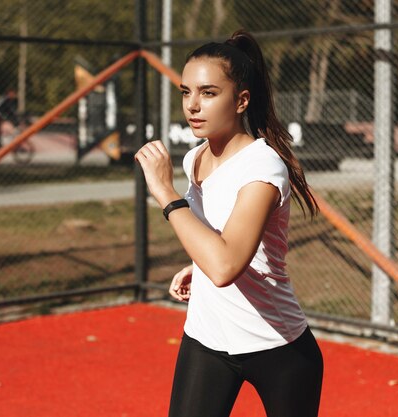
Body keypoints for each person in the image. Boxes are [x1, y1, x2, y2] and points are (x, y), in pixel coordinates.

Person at [134, 29, 324, 417]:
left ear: (241, 100)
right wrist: (196, 265)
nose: (192, 106)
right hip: (207, 338)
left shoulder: (263, 169)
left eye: (208, 93)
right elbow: (220, 239)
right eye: (186, 92)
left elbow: (223, 266)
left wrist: (164, 192)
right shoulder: (195, 158)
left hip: (277, 344)